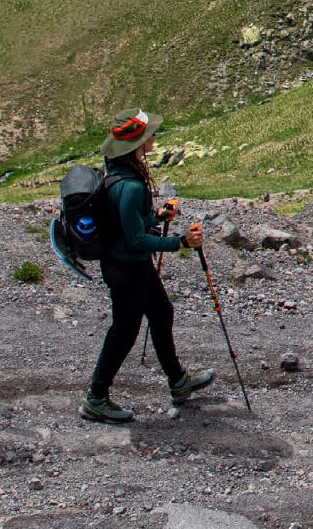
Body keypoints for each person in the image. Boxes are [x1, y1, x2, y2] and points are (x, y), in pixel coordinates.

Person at [81, 109, 215, 423]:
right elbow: (136, 240)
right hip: (128, 268)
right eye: (149, 135)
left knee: (161, 312)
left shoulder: (119, 175)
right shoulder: (131, 186)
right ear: (138, 144)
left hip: (126, 266)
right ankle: (96, 397)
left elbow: (129, 227)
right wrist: (180, 242)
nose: (154, 138)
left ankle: (178, 381)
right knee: (124, 331)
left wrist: (156, 217)